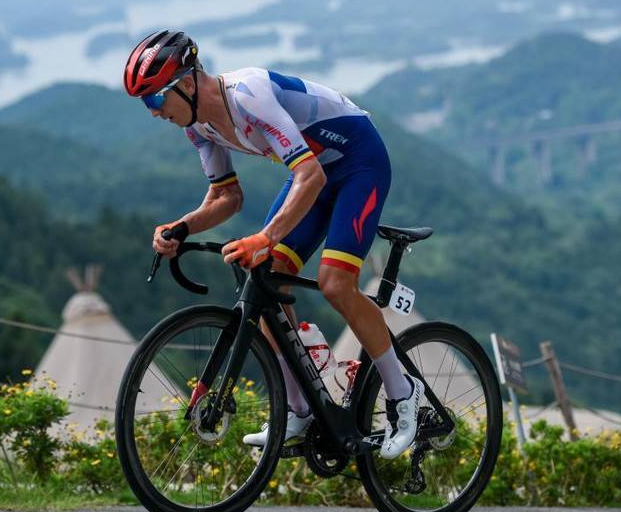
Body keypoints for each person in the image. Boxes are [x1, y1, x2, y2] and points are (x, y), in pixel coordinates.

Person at [124, 29, 422, 459]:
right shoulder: (198, 126)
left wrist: (265, 237)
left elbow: (311, 176)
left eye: (154, 100)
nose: (153, 113)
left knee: (336, 283)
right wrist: (182, 227)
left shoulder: (249, 95)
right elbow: (227, 196)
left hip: (358, 162)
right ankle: (299, 409)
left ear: (186, 84)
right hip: (311, 172)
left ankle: (402, 396)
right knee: (263, 278)